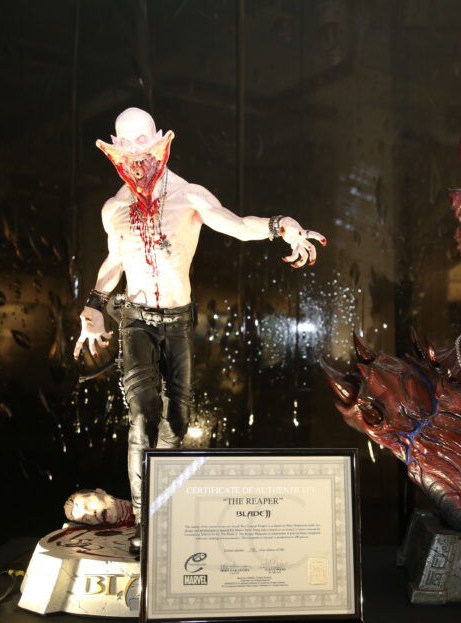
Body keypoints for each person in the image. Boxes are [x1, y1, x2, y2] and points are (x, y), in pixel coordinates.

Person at [73, 107, 326, 550]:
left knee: (176, 421)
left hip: (177, 320)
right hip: (135, 318)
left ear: (159, 139)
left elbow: (237, 226)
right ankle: (146, 527)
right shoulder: (114, 208)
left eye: (142, 139)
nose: (135, 151)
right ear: (114, 146)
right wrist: (93, 305)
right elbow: (115, 261)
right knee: (142, 415)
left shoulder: (188, 195)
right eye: (125, 142)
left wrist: (279, 226)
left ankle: (165, 511)